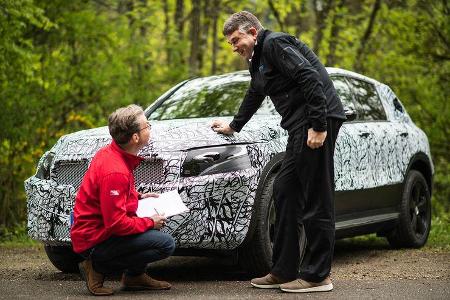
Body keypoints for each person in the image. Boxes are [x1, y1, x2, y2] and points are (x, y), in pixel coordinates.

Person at [211, 11, 346, 293]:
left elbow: (309, 76)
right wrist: (234, 126)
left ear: (252, 32)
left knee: (316, 197)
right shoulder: (257, 61)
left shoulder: (274, 44)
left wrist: (319, 126)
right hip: (299, 125)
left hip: (315, 120)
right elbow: (255, 93)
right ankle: (284, 270)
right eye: (231, 43)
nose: (234, 47)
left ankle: (318, 276)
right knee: (285, 190)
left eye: (236, 40)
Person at [70, 104, 175, 296]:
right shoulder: (115, 171)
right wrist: (149, 222)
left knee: (144, 219)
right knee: (165, 244)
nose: (149, 128)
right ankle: (96, 266)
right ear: (135, 137)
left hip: (96, 229)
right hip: (93, 239)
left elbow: (111, 198)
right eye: (147, 125)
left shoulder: (111, 153)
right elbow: (116, 224)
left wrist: (139, 197)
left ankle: (135, 276)